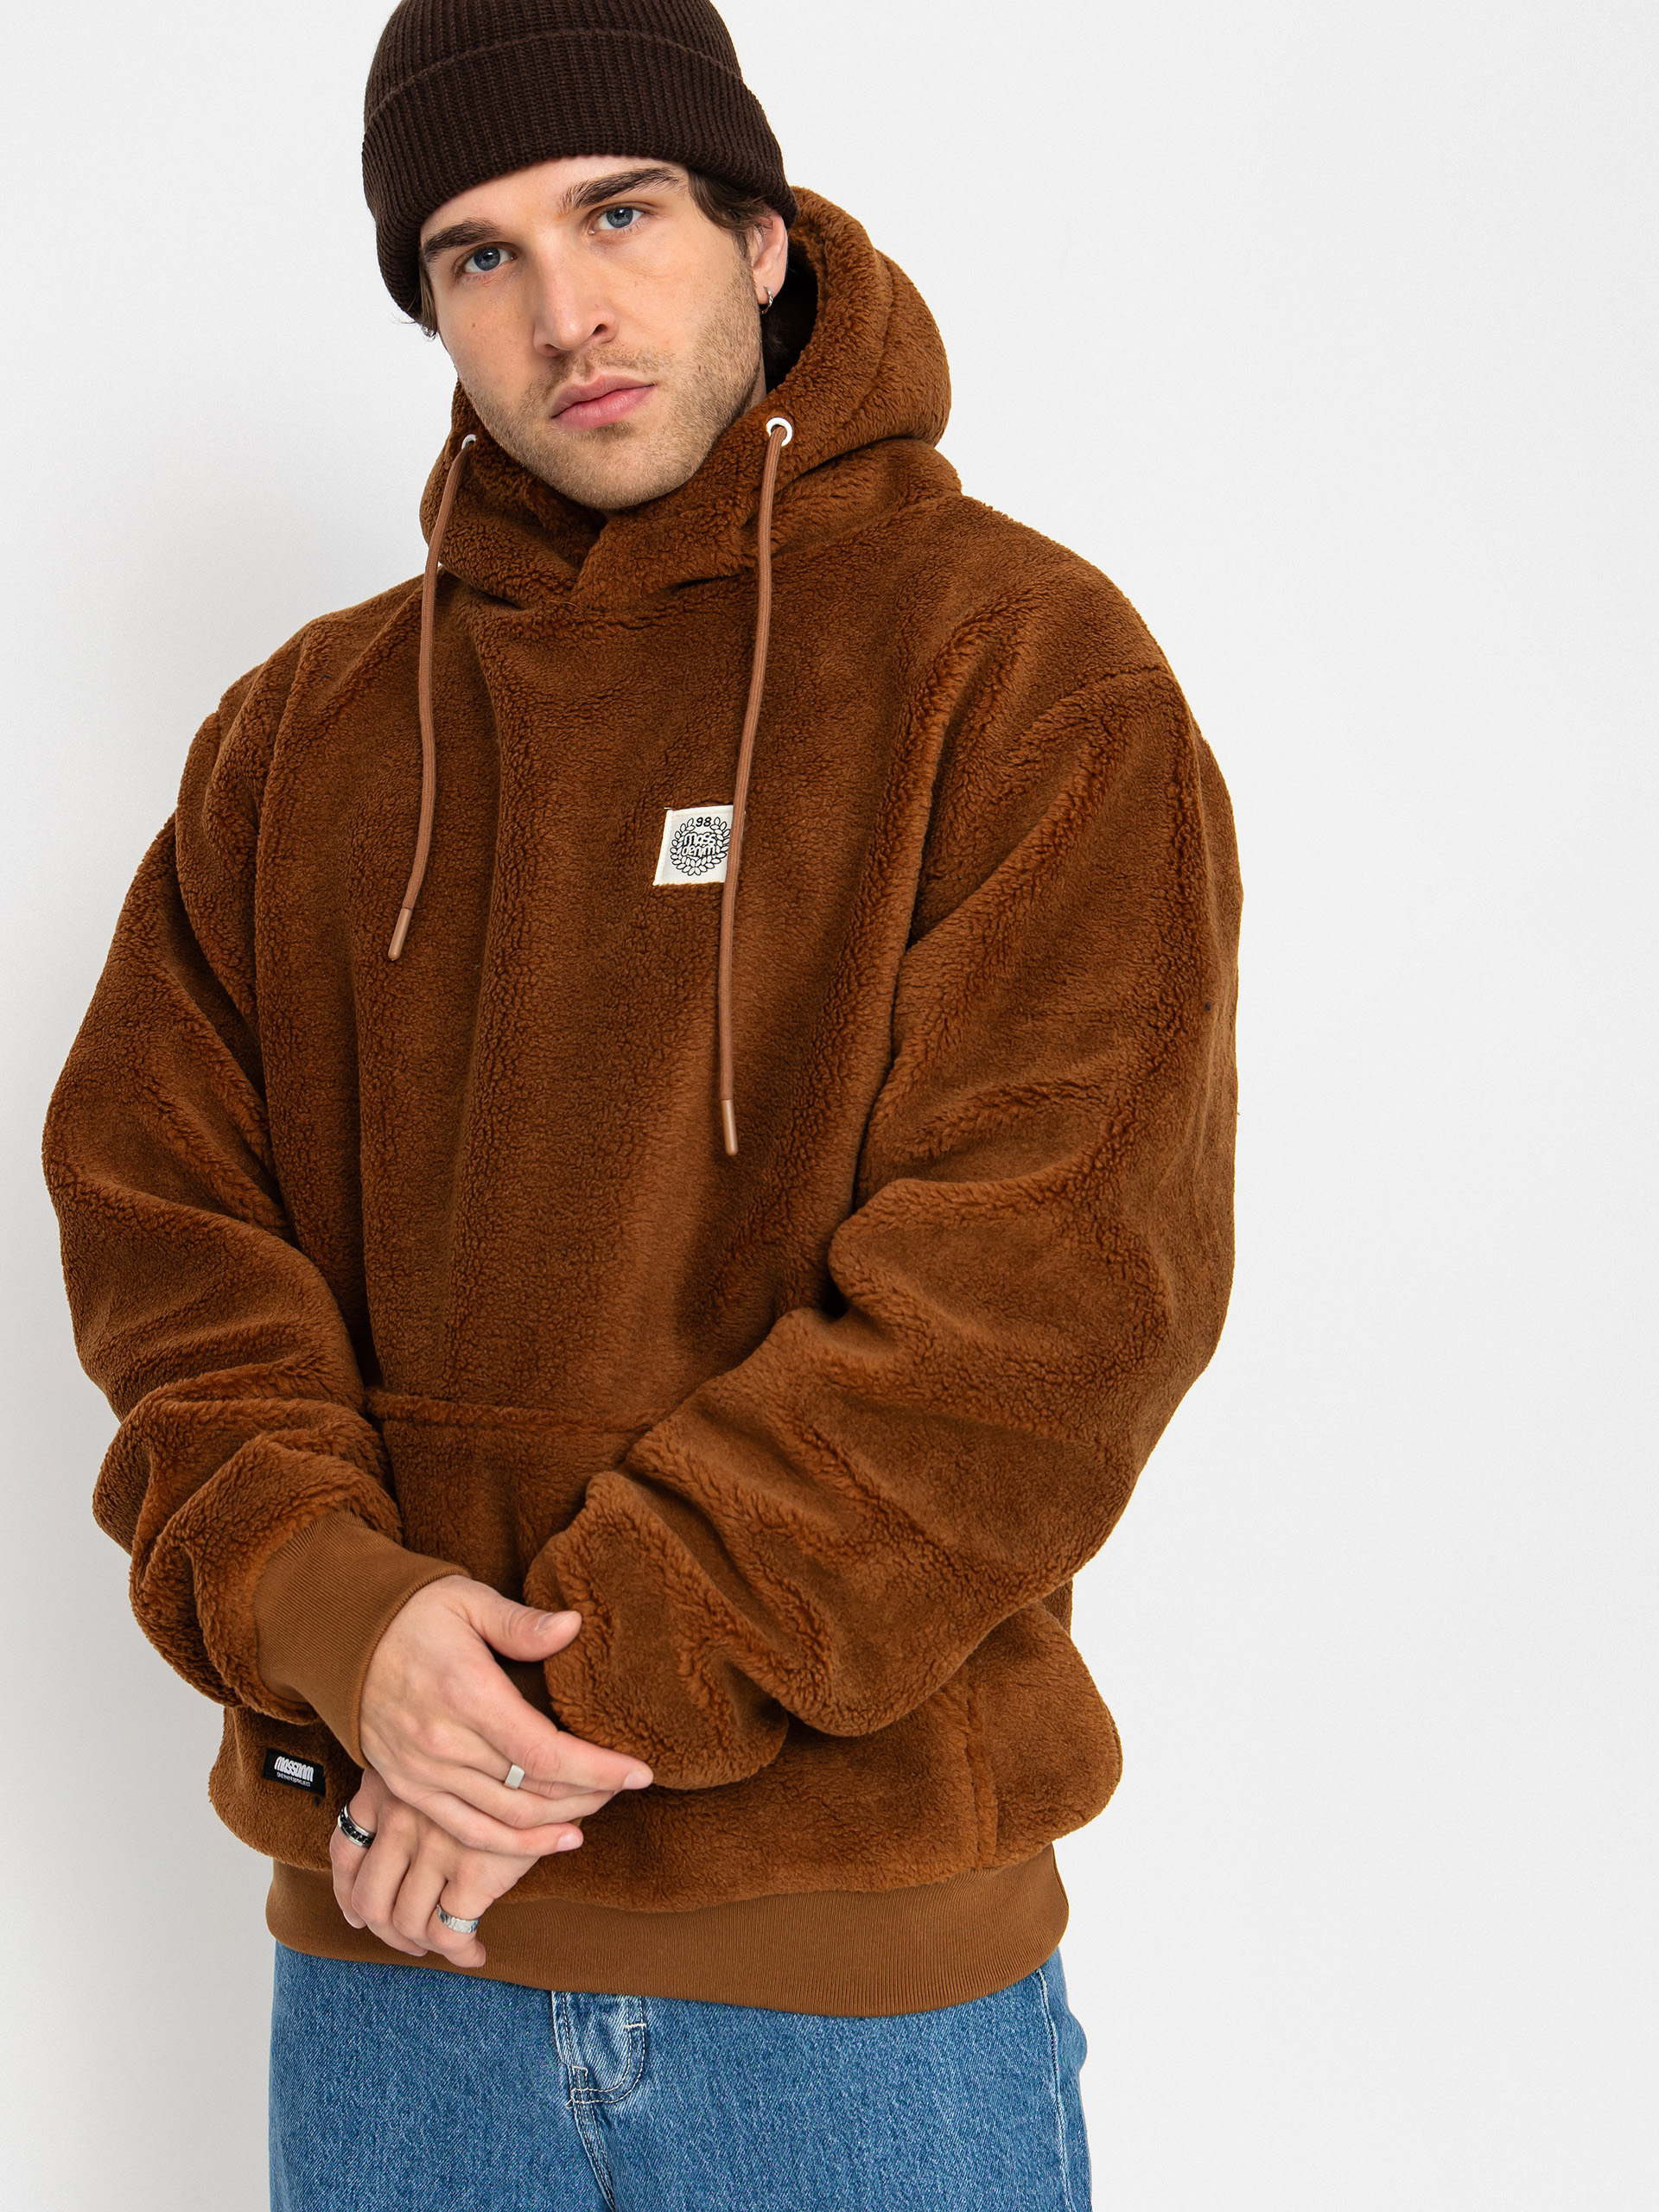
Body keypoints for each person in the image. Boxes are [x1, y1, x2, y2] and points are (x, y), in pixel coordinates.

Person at [43, 2, 1241, 2205]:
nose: (563, 310)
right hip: (401, 1987)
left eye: (621, 214)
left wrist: (521, 1728)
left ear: (760, 237)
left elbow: (1046, 1311)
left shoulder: (1022, 670)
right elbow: (163, 1240)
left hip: (850, 2006)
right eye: (479, 254)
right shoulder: (299, 740)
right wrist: (340, 1618)